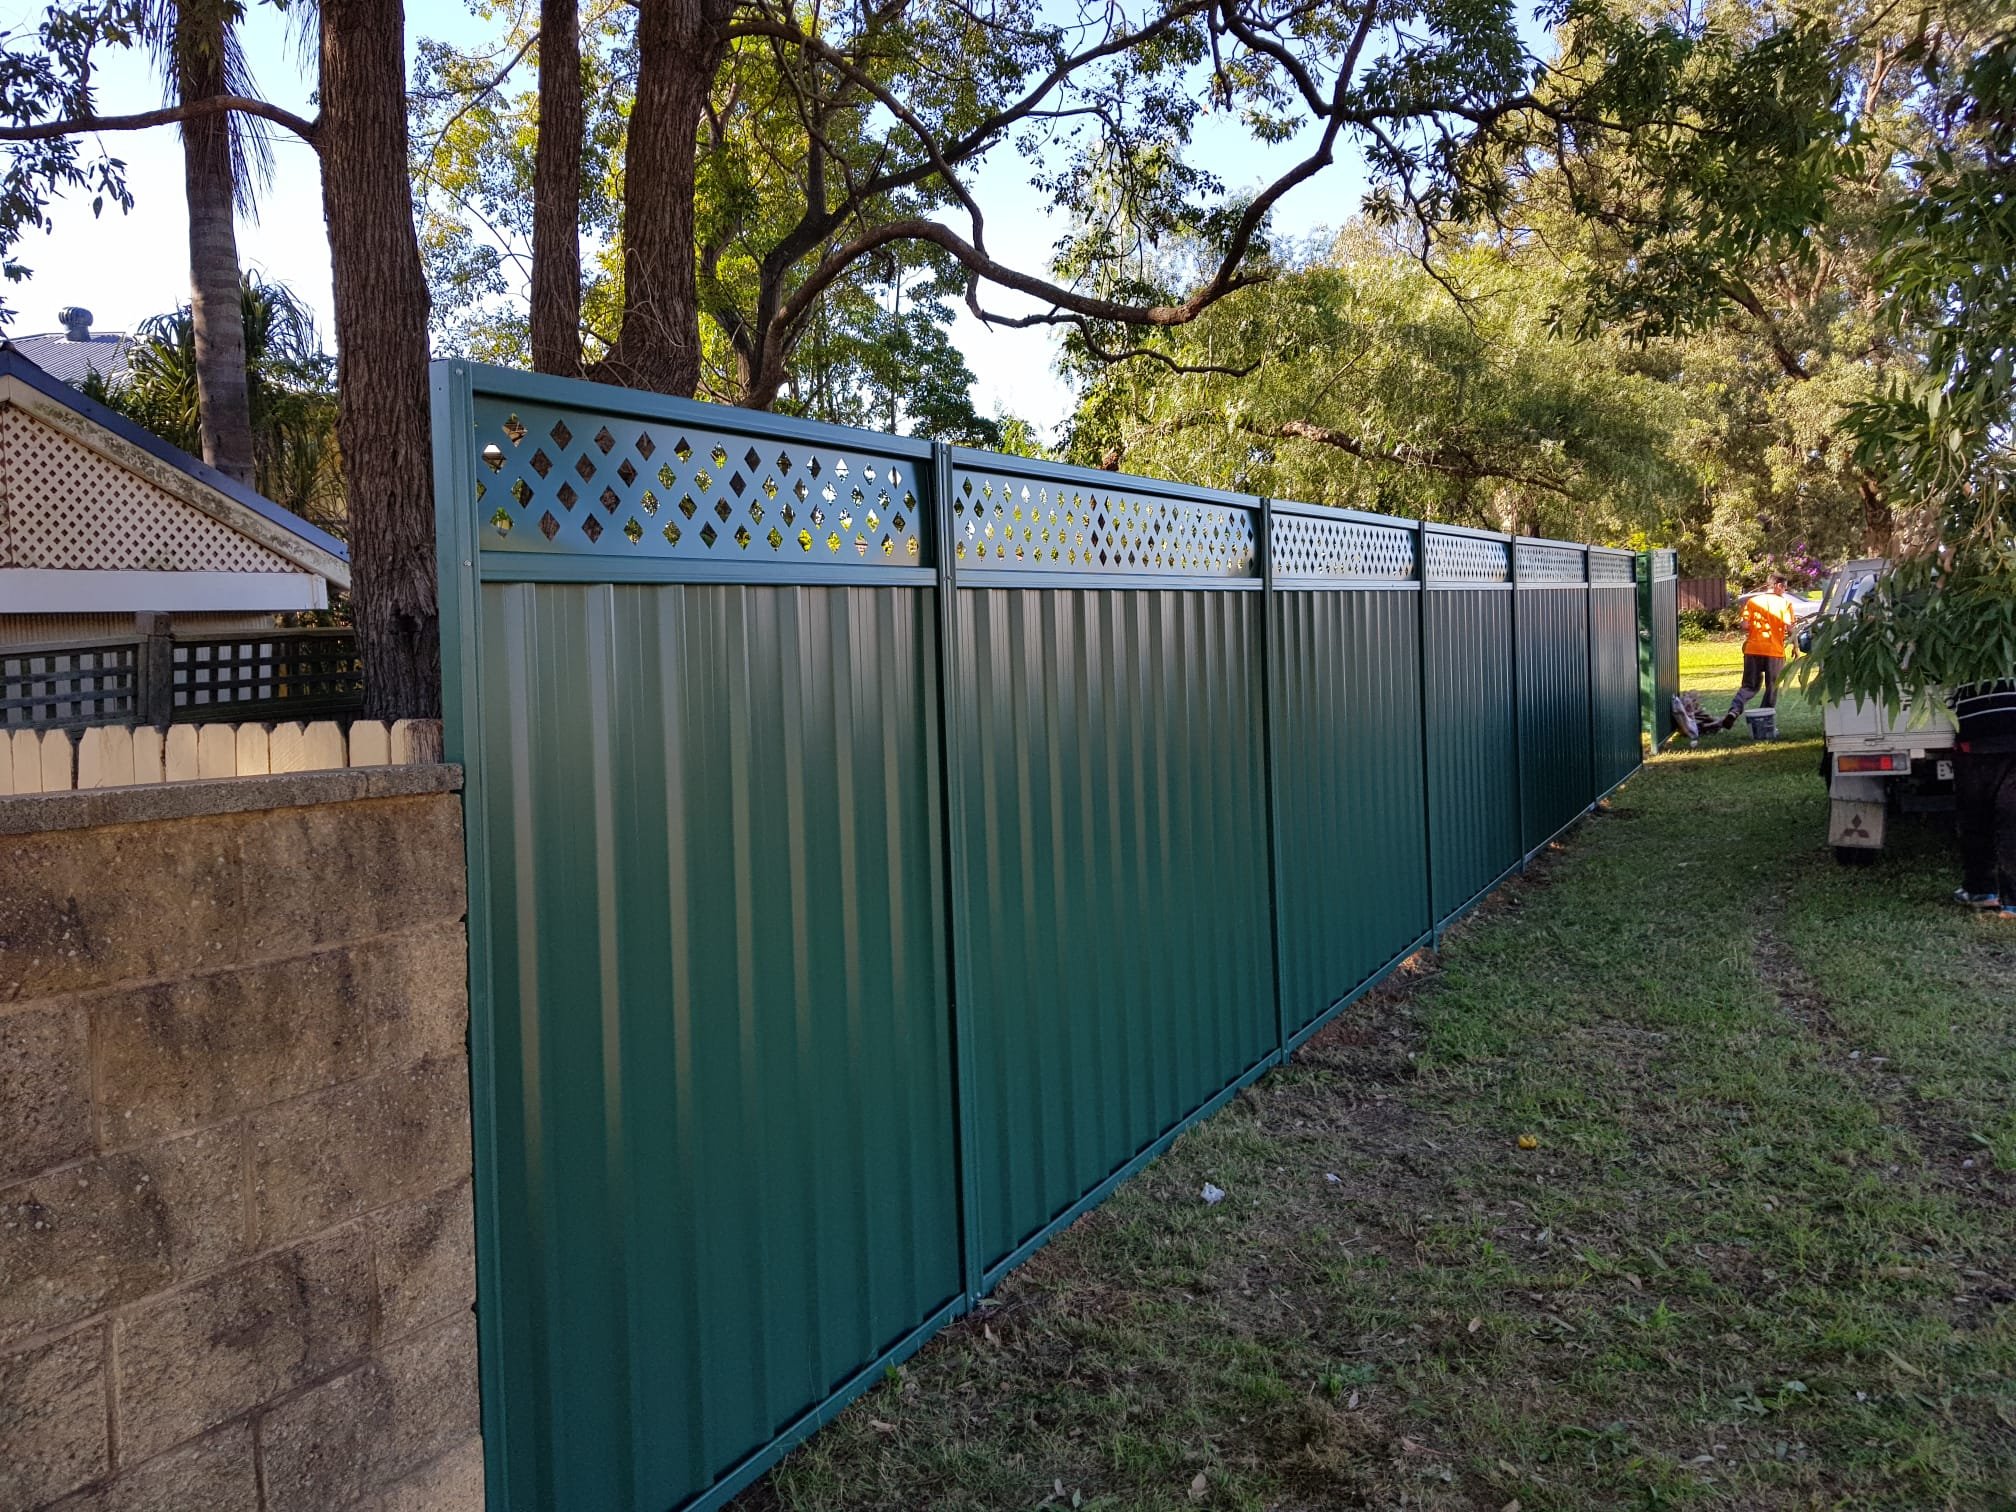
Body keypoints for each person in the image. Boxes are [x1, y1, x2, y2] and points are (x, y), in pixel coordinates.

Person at [1952, 678, 2016, 916]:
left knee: (1975, 818)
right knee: (2011, 819)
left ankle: (1982, 891)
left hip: (1975, 732)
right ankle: (2011, 902)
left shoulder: (1958, 642)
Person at [1720, 574, 1802, 731]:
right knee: (1772, 687)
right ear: (1777, 585)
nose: (1785, 590)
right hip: (1774, 651)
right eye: (1784, 587)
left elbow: (1744, 624)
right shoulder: (1785, 603)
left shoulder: (1753, 601)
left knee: (1749, 686)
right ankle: (1764, 722)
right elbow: (1791, 628)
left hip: (1753, 650)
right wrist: (1796, 648)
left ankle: (1734, 711)